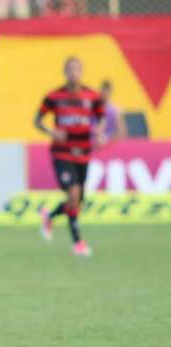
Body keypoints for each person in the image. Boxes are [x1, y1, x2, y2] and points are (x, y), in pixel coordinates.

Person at [35, 57, 105, 256]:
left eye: (77, 69)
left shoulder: (92, 96)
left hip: (83, 152)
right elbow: (38, 120)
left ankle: (49, 216)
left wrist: (99, 132)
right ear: (65, 72)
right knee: (73, 193)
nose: (74, 72)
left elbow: (100, 117)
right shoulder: (54, 96)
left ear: (81, 71)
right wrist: (51, 132)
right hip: (62, 152)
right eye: (70, 69)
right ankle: (78, 243)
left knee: (77, 200)